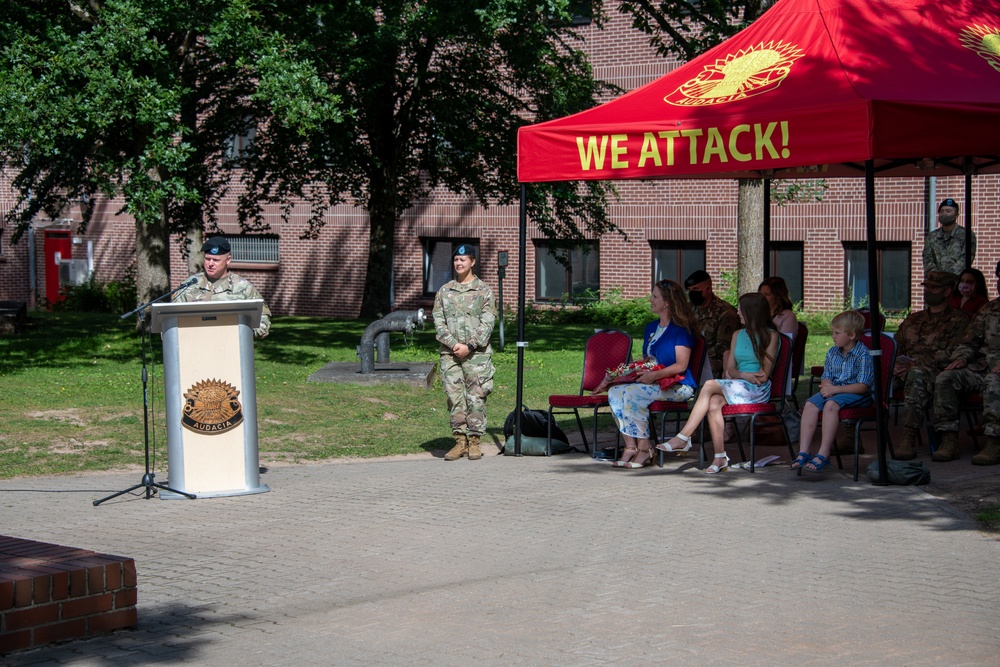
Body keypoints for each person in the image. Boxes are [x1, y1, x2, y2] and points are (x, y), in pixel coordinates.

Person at [657, 292, 780, 474]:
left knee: (708, 385)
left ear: (752, 311)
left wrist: (742, 376)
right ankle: (720, 457)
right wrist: (744, 374)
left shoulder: (772, 336)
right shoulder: (738, 334)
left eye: (741, 309)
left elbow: (763, 375)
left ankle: (683, 437)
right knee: (714, 402)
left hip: (757, 389)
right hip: (740, 382)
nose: (737, 313)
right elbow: (729, 370)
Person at [603, 280, 698, 469]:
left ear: (667, 302)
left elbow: (681, 365)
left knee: (632, 394)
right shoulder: (651, 328)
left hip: (677, 386)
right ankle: (630, 445)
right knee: (614, 392)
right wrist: (631, 371)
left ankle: (645, 449)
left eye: (655, 297)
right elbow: (649, 359)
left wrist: (654, 375)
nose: (650, 300)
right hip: (654, 383)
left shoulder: (681, 330)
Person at [892, 272, 971, 459]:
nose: (928, 291)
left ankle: (909, 436)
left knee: (917, 375)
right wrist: (893, 363)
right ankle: (850, 433)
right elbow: (896, 345)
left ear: (947, 291)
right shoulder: (913, 319)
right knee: (870, 377)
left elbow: (954, 353)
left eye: (933, 287)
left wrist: (914, 364)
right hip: (904, 370)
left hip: (937, 371)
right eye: (926, 287)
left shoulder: (960, 321)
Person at [931, 260, 1000, 465]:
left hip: (996, 374)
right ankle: (948, 440)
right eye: (999, 278)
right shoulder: (990, 309)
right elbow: (969, 341)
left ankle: (994, 442)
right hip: (981, 367)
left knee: (994, 383)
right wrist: (961, 358)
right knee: (945, 378)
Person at [433, 245, 497, 462]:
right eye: (456, 260)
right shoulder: (444, 291)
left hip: (476, 355)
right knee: (454, 397)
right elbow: (439, 322)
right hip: (450, 354)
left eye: (463, 260)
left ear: (472, 262)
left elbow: (488, 323)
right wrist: (453, 345)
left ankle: (475, 442)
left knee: (476, 396)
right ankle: (459, 441)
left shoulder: (484, 291)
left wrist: (469, 345)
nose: (459, 263)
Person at [791, 311, 874, 473]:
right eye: (833, 332)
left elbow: (862, 386)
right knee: (809, 404)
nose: (833, 336)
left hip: (857, 394)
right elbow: (826, 376)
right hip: (835, 391)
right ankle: (804, 452)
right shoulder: (833, 352)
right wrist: (827, 386)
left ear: (852, 335)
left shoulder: (863, 354)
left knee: (830, 405)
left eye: (837, 333)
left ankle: (824, 453)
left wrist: (835, 390)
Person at [174, 236, 272, 339]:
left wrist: (238, 332)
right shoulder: (189, 285)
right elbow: (170, 319)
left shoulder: (244, 288)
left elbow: (263, 323)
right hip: (194, 345)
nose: (210, 264)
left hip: (231, 347)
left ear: (228, 260)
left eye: (216, 260)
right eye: (207, 259)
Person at [684, 269, 741, 378]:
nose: (692, 293)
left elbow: (723, 347)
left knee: (705, 367)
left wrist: (697, 355)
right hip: (688, 353)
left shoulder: (725, 313)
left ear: (708, 289)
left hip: (714, 359)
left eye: (695, 289)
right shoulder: (687, 309)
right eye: (690, 290)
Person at [923, 198, 976, 275]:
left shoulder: (966, 235)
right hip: (936, 282)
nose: (944, 214)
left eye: (948, 211)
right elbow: (927, 259)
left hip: (957, 281)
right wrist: (936, 276)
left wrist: (947, 277)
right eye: (941, 211)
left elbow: (965, 260)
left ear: (956, 215)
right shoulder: (932, 236)